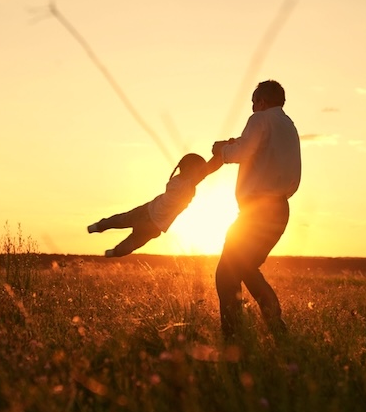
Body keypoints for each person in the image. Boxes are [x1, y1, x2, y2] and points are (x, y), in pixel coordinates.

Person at [211, 79, 302, 341]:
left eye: (253, 102)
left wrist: (222, 150)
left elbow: (243, 152)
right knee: (245, 268)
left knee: (227, 273)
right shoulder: (288, 125)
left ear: (261, 102)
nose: (252, 108)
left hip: (256, 212)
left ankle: (234, 337)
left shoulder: (259, 119)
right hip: (280, 210)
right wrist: (233, 143)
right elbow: (255, 147)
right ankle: (276, 329)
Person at [87, 152, 222, 257]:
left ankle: (98, 226)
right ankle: (113, 253)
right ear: (189, 169)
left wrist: (221, 154)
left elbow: (205, 171)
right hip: (154, 225)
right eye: (198, 169)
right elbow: (208, 170)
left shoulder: (176, 180)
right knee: (133, 242)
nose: (200, 173)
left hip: (147, 210)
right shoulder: (186, 185)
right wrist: (222, 154)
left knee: (122, 219)